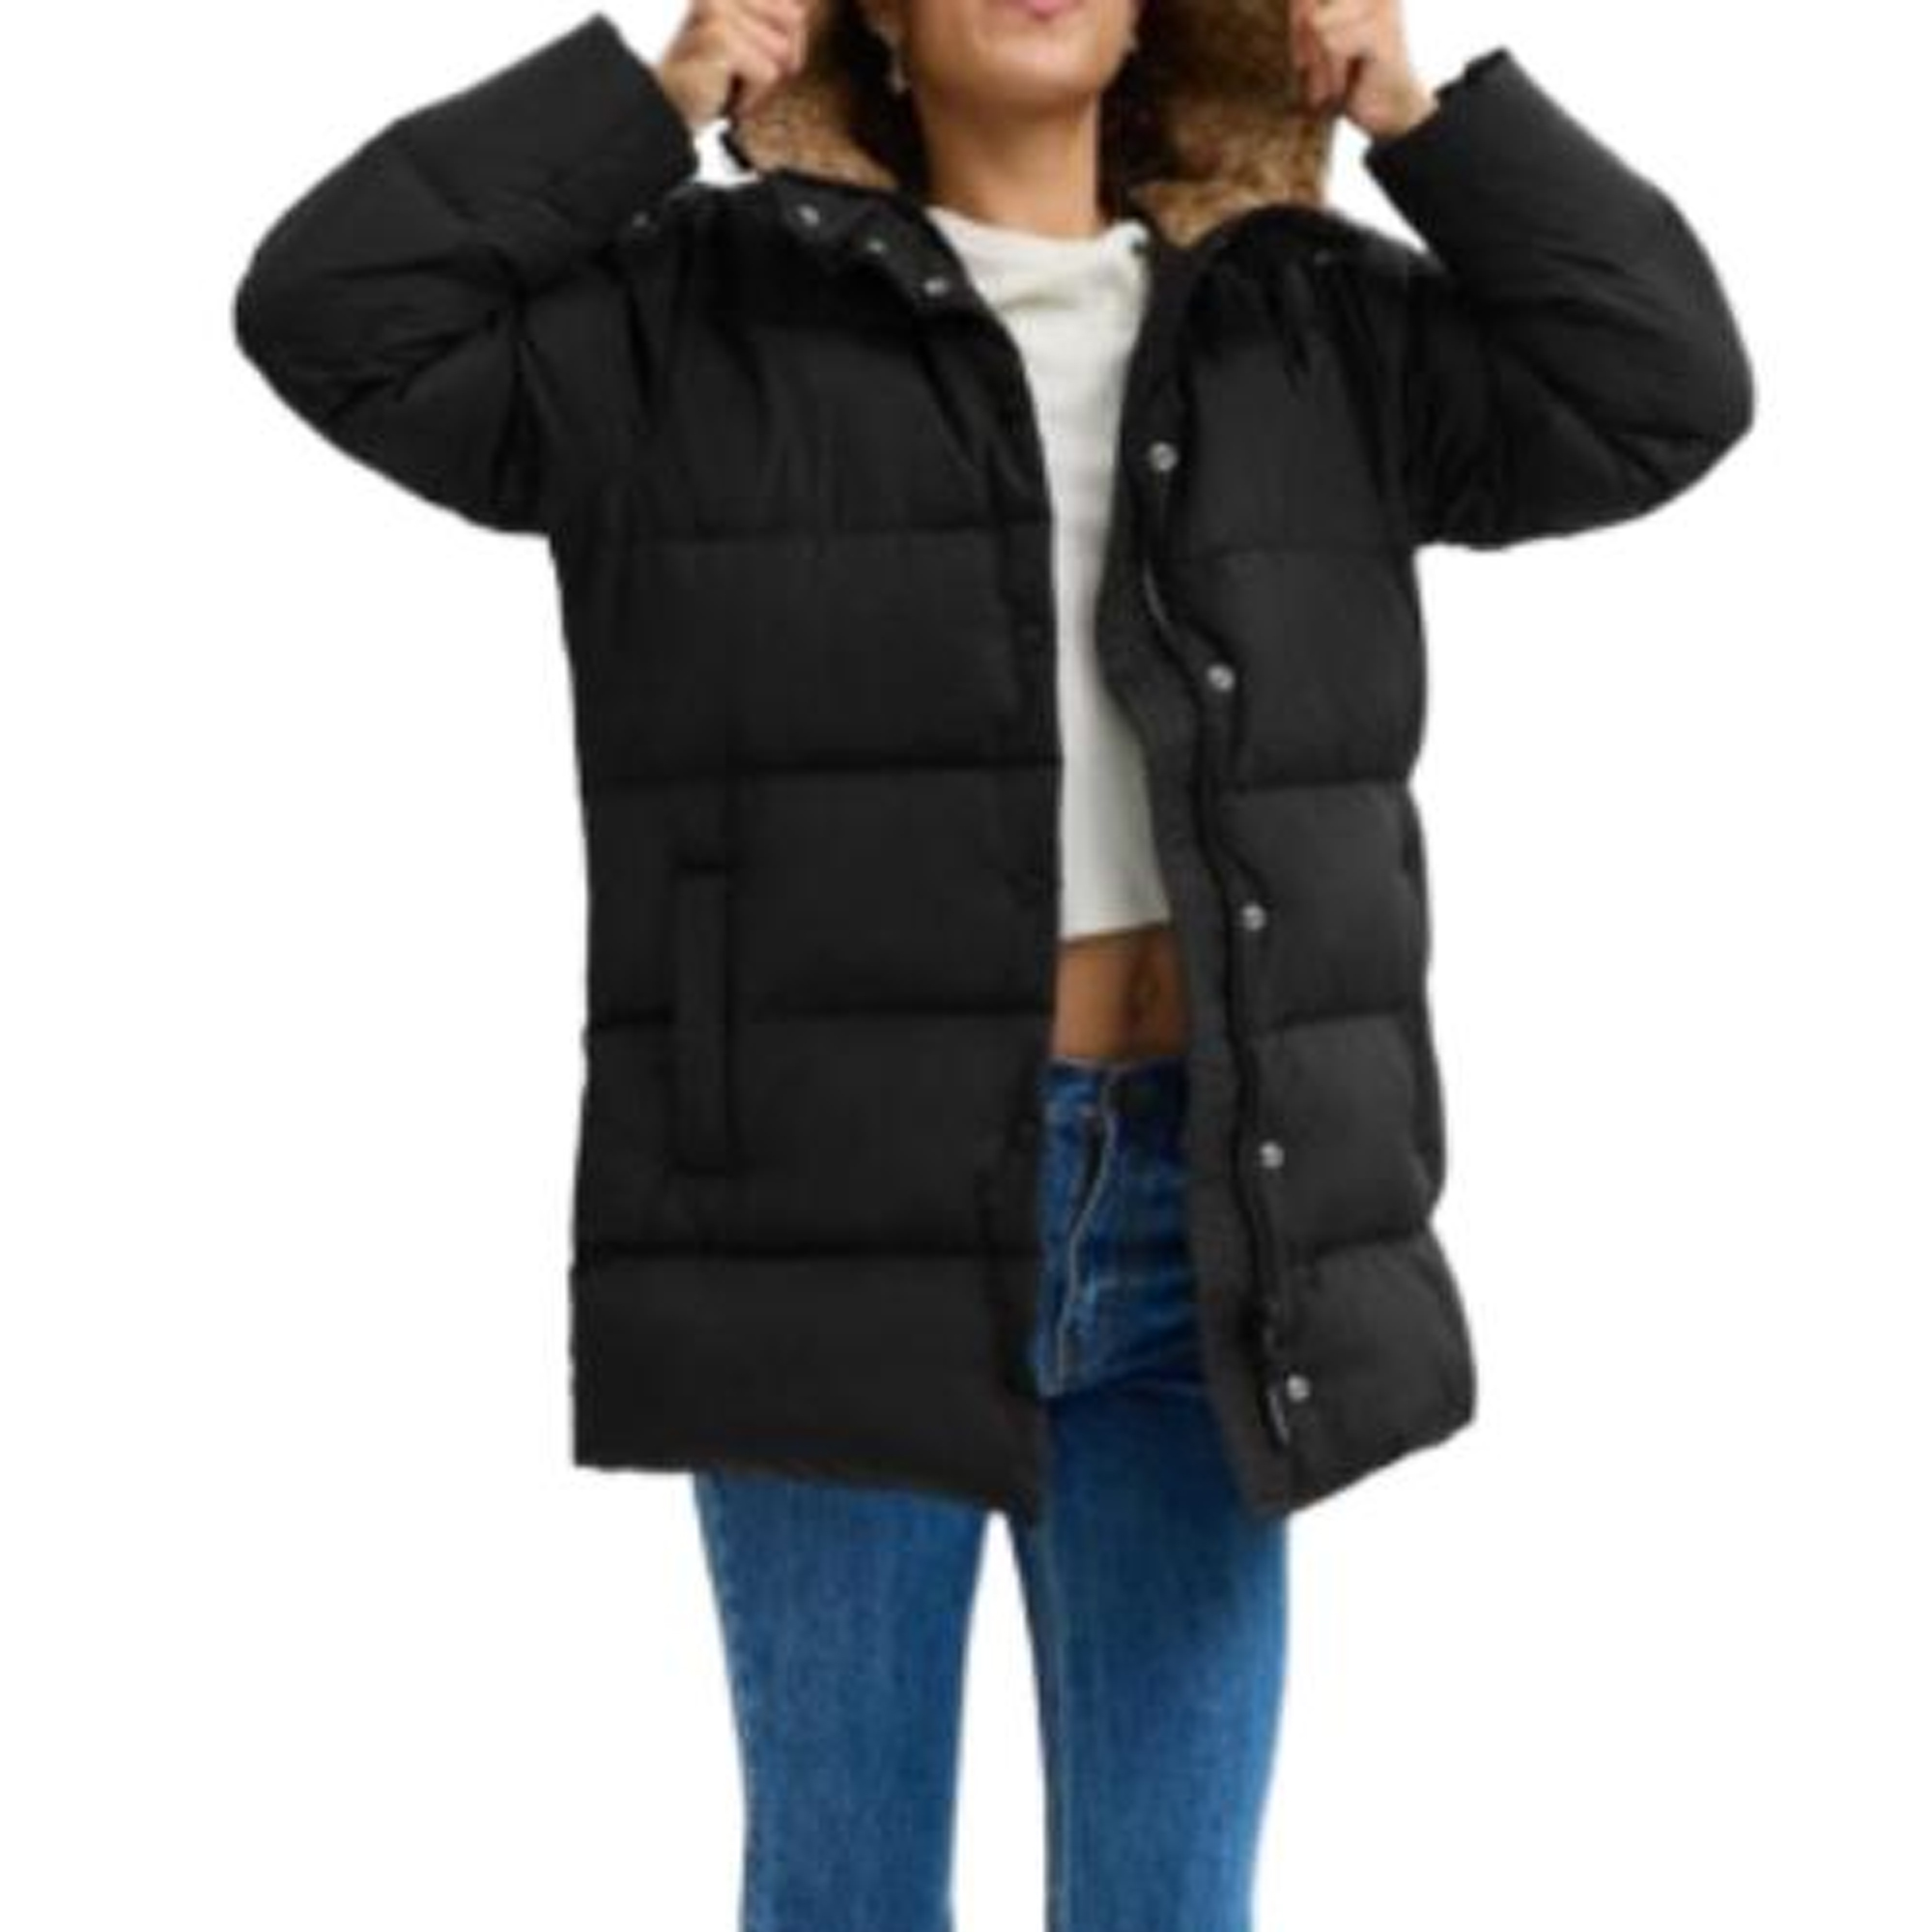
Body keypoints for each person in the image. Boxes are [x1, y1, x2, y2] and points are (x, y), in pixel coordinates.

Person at [231, 3, 1752, 1927]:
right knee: (846, 1889)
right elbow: (336, 312)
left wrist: (1424, 122)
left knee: (1169, 1899)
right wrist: (645, 95)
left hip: (1219, 1211)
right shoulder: (695, 319)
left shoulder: (1298, 321)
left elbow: (1659, 387)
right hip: (833, 1213)